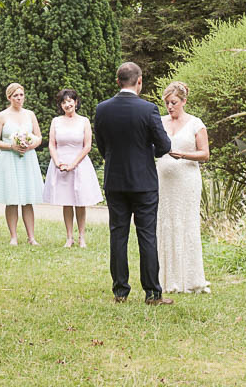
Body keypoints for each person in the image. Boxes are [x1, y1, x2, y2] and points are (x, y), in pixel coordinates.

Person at [94, 62, 172, 305]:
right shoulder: (148, 109)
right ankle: (152, 293)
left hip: (115, 180)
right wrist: (146, 150)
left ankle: (120, 291)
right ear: (139, 82)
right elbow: (164, 146)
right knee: (147, 235)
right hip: (144, 182)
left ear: (118, 82)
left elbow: (102, 146)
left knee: (118, 235)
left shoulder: (102, 109)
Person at [156, 81, 210, 294]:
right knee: (166, 224)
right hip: (164, 181)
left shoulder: (196, 123)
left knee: (185, 224)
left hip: (186, 181)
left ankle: (190, 278)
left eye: (174, 102)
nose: (170, 107)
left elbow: (205, 154)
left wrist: (183, 154)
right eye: (167, 103)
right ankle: (166, 278)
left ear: (184, 101)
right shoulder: (160, 122)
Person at [42, 88, 101, 248]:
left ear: (76, 102)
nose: (67, 104)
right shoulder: (56, 121)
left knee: (80, 201)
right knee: (66, 201)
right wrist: (57, 162)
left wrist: (74, 164)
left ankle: (82, 237)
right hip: (60, 163)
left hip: (79, 164)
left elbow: (87, 146)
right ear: (61, 105)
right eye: (64, 102)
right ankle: (69, 237)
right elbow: (52, 144)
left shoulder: (84, 121)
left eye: (70, 101)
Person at [0, 83, 44, 245]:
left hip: (27, 159)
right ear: (9, 98)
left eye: (21, 95)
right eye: (16, 96)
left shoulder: (30, 115)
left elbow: (38, 137)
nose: (19, 98)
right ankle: (13, 236)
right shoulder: (2, 116)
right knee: (11, 198)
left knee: (27, 198)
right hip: (9, 159)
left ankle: (31, 237)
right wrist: (12, 146)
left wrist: (30, 145)